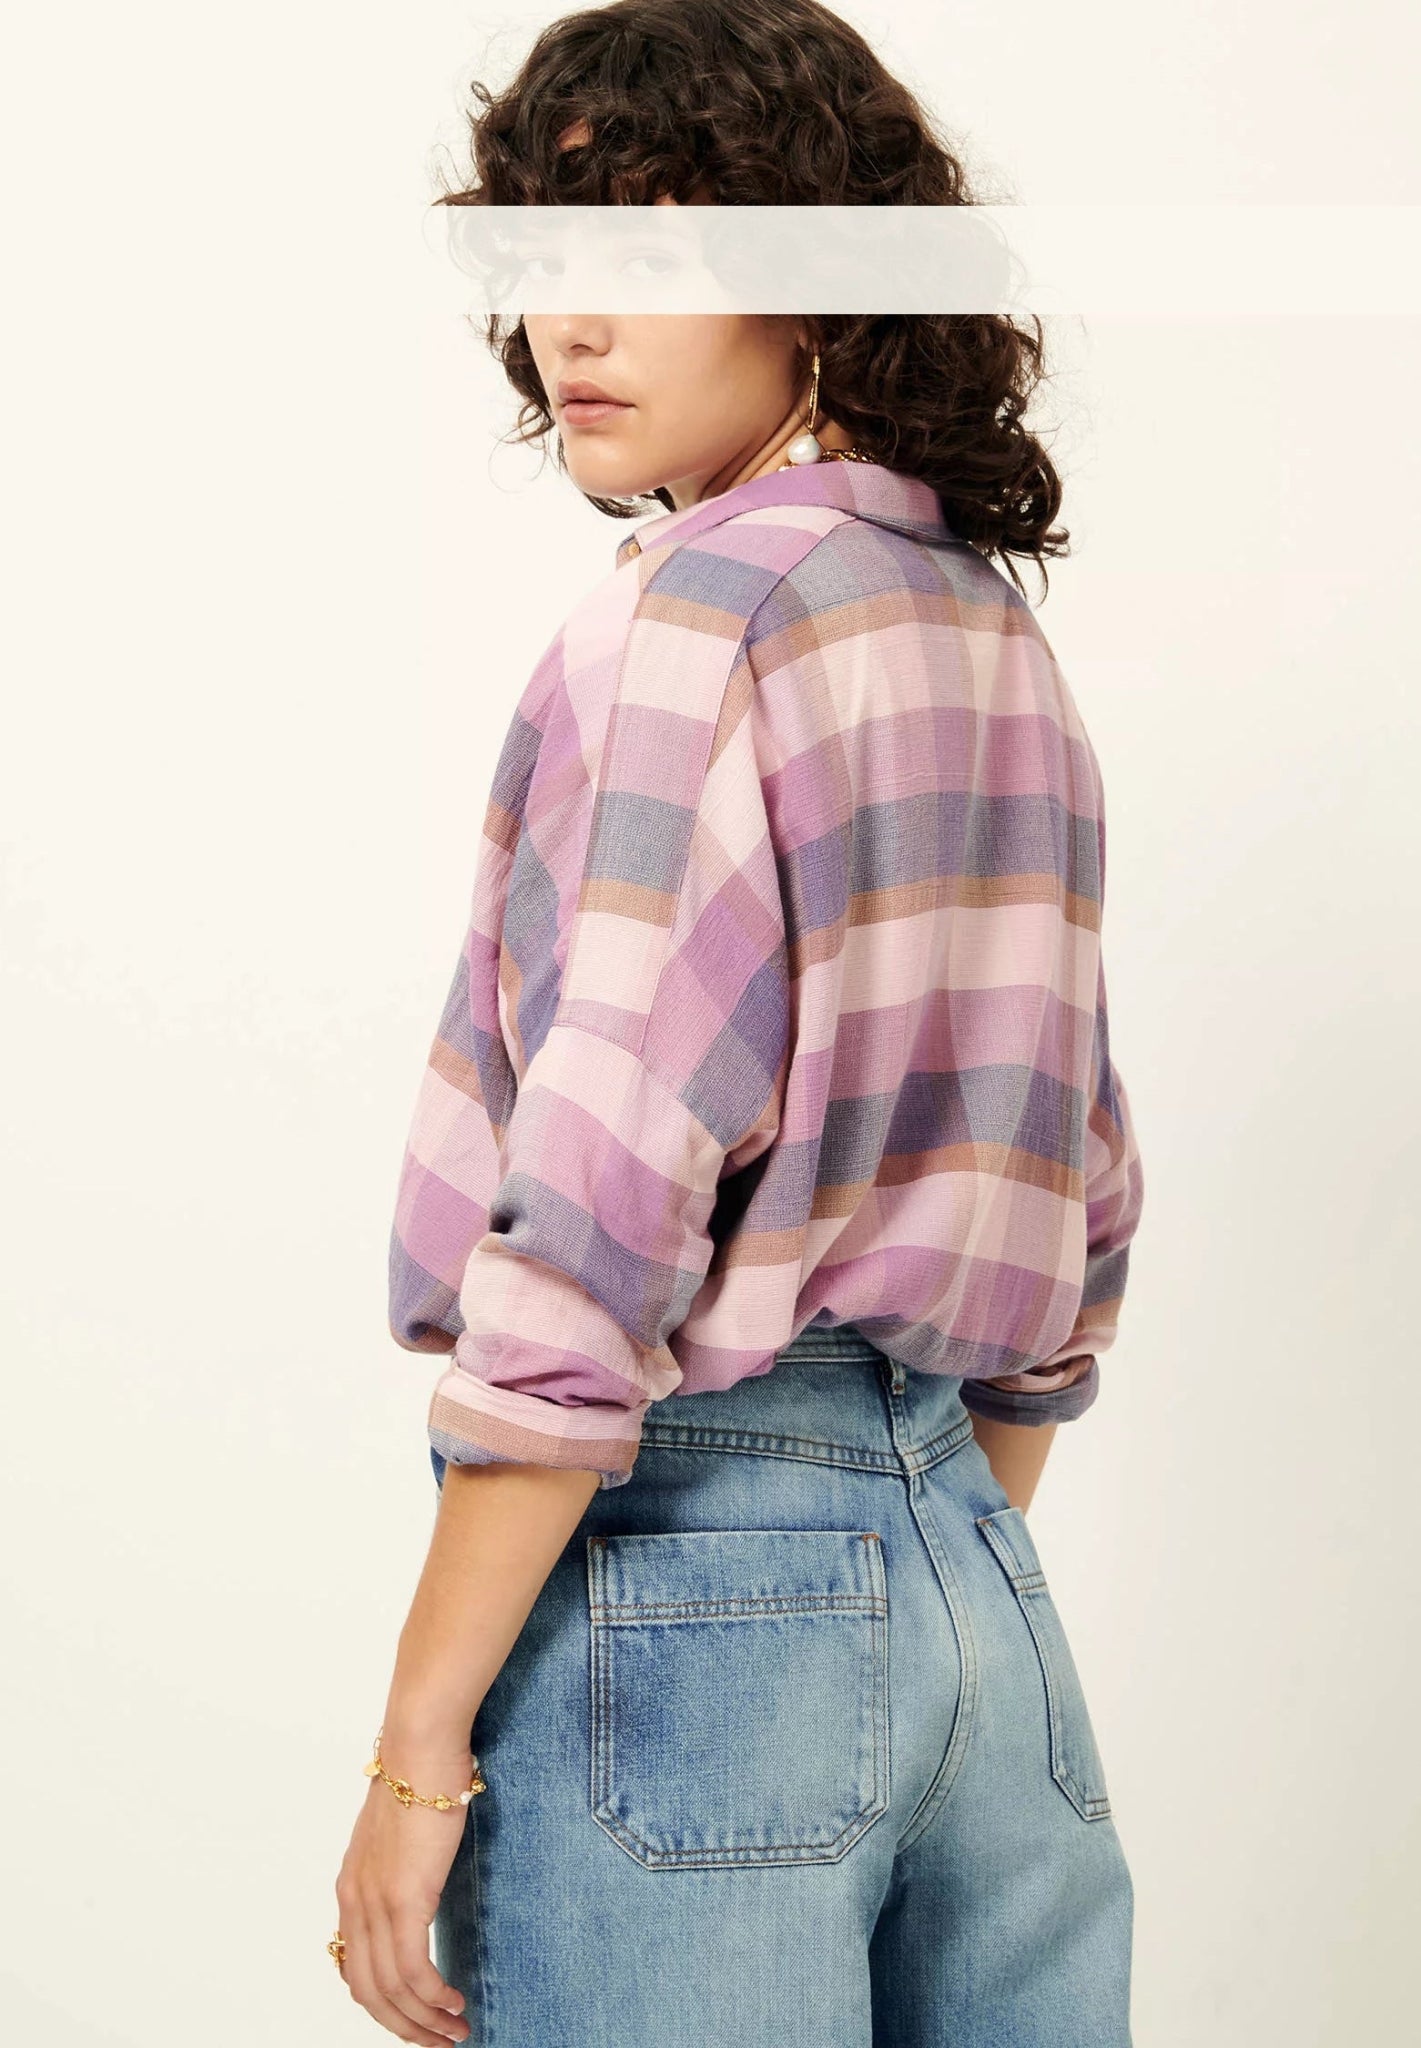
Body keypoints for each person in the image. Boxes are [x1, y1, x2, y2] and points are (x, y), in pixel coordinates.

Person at [331, 4, 1145, 2043]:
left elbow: (597, 1208)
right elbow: (1079, 1186)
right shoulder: (986, 631)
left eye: (652, 247)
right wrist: (909, 1539)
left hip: (697, 1583)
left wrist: (414, 1756)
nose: (572, 325)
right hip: (986, 1604)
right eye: (544, 257)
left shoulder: (689, 625)